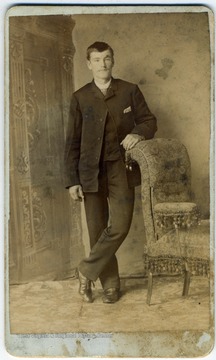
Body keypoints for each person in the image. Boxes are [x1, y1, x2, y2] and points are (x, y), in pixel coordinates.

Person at [64, 41, 157, 304]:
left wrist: (137, 133)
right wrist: (72, 181)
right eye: (97, 59)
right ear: (88, 64)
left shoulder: (129, 91)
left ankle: (85, 270)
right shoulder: (80, 97)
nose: (102, 64)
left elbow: (149, 121)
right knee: (96, 230)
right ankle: (110, 285)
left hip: (121, 169)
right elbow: (71, 141)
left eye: (107, 58)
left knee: (120, 225)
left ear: (113, 60)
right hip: (89, 172)